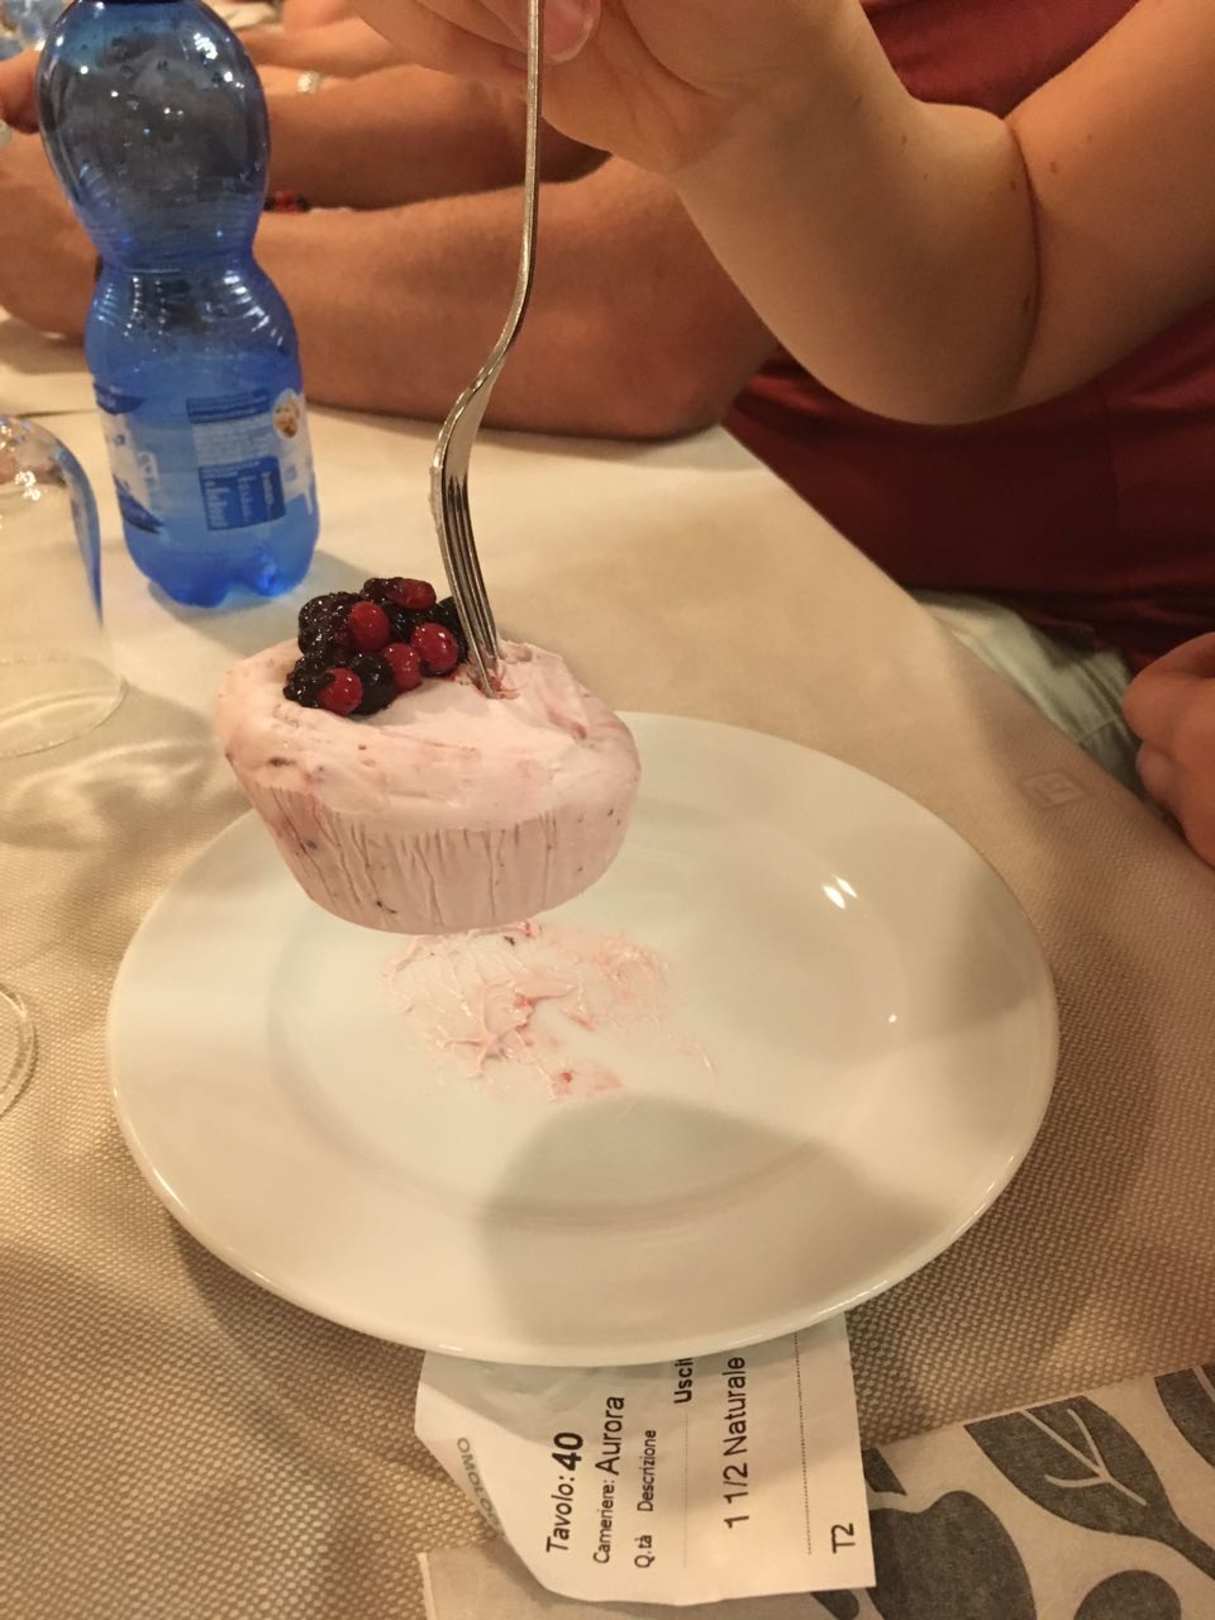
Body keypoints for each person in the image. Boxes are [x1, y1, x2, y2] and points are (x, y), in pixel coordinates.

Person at [2, 3, 1214, 860]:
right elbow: (539, 104)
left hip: (1037, 615)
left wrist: (121, 259)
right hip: (779, 504)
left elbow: (642, 323)